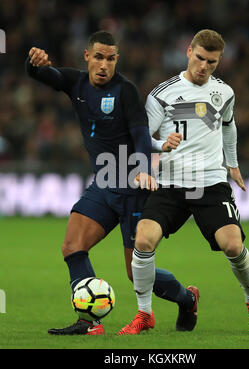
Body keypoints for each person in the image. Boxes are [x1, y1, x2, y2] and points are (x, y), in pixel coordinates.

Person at [26, 30, 199, 336]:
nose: (104, 64)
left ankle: (186, 298)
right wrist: (33, 64)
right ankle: (88, 322)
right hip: (104, 185)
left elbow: (141, 136)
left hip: (133, 189)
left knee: (136, 274)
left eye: (111, 58)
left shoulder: (126, 91)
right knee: (72, 247)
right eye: (98, 57)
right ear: (87, 57)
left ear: (116, 59)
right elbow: (45, 75)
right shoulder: (75, 82)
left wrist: (145, 169)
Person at [118, 29, 249, 336]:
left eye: (211, 62)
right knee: (143, 240)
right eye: (200, 58)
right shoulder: (162, 93)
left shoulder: (224, 93)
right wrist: (160, 146)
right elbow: (142, 136)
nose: (203, 66)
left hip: (211, 182)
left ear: (218, 62)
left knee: (233, 244)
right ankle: (145, 314)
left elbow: (229, 126)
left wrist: (233, 164)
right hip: (171, 182)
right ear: (189, 51)